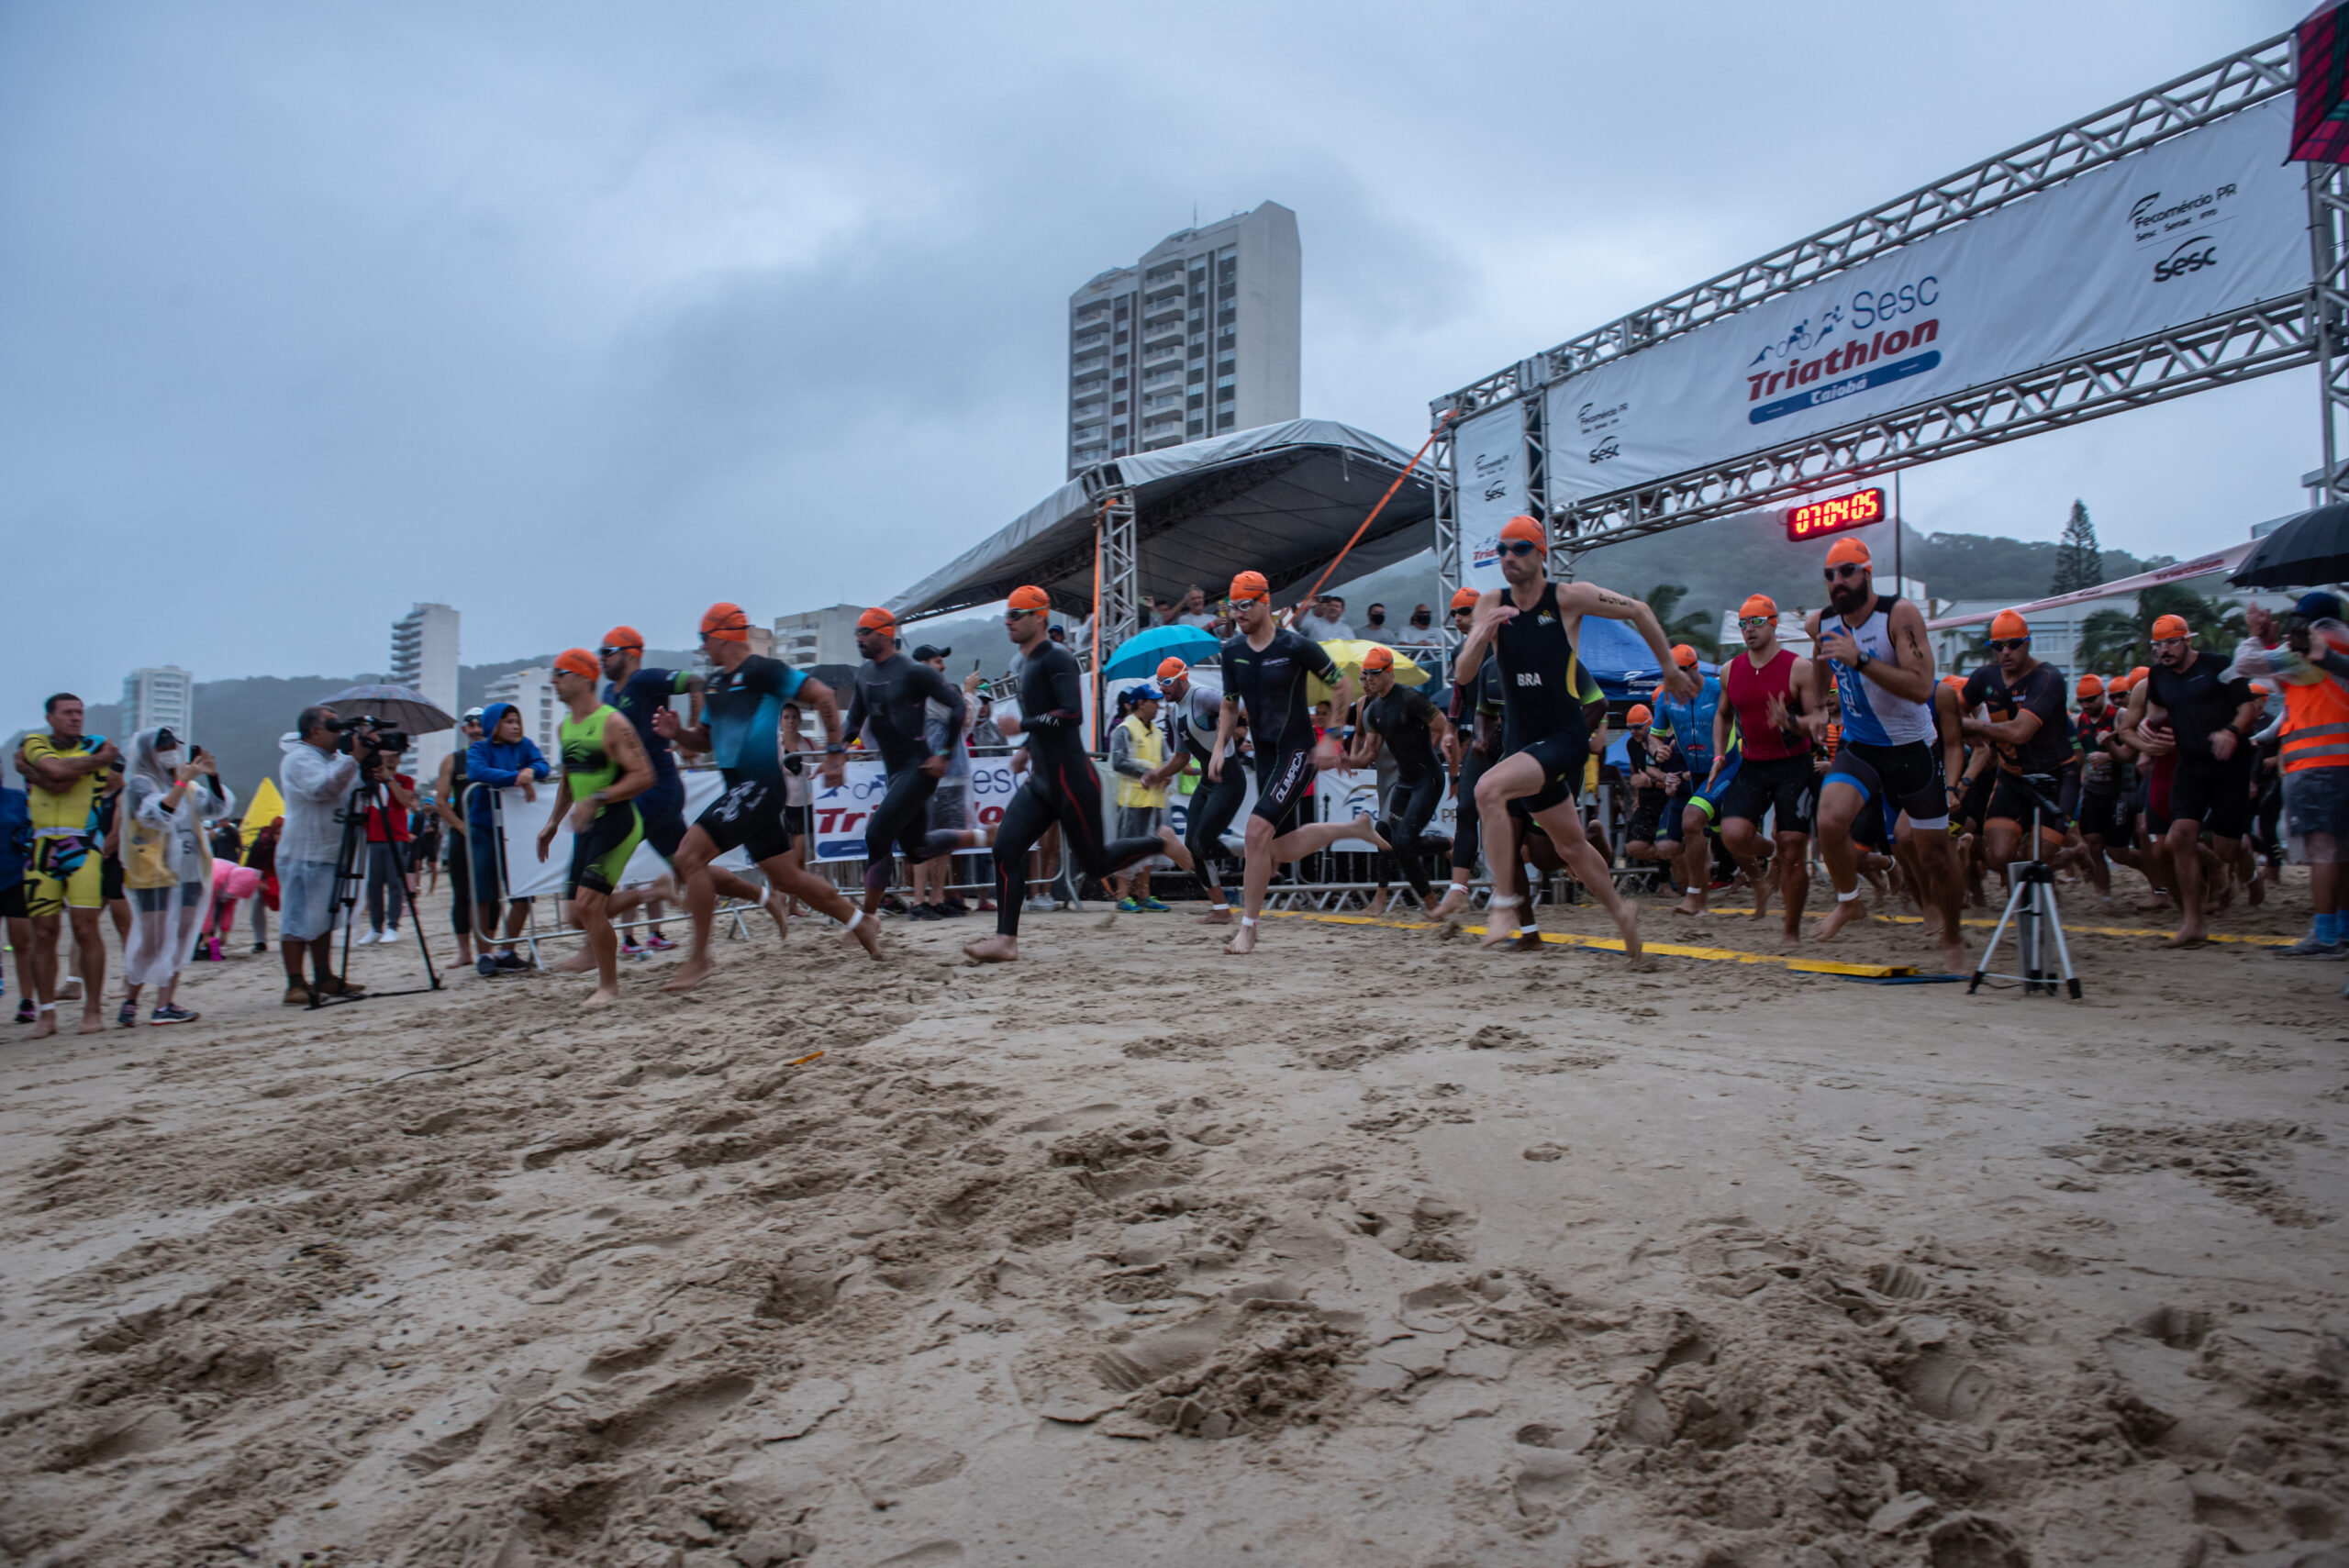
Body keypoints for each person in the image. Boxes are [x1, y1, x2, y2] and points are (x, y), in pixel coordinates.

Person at [1455, 517, 1692, 957]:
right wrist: (1482, 634)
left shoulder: (1568, 598)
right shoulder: (1490, 603)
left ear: (1540, 552)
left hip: (1563, 738)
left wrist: (1670, 668)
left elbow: (1639, 609)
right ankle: (1624, 916)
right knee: (1572, 846)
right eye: (1502, 549)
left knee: (1488, 789)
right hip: (1523, 746)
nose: (1508, 557)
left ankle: (1504, 904)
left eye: (1520, 548)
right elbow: (1464, 673)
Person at [963, 587, 1194, 963]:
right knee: (1006, 848)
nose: (1009, 620)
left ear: (1039, 617)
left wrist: (1020, 725)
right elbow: (1046, 719)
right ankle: (1006, 939)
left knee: (1097, 864)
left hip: (1073, 780)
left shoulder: (1059, 659)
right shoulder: (1022, 665)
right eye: (1007, 614)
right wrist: (1025, 749)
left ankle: (1160, 841)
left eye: (1017, 614)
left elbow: (1072, 714)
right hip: (1042, 781)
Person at [659, 600, 883, 980]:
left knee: (689, 857)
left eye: (703, 638)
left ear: (721, 635)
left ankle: (698, 958)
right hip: (740, 790)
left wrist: (834, 753)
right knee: (785, 878)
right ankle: (860, 921)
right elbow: (705, 741)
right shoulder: (716, 684)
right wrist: (676, 732)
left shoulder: (763, 671)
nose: (702, 647)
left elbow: (824, 697)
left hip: (759, 786)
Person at [1203, 571, 1392, 954]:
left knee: (1256, 833)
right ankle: (1353, 827)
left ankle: (1248, 929)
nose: (1237, 613)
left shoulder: (1296, 646)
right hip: (1266, 752)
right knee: (1273, 851)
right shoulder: (1231, 651)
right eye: (1231, 606)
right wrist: (1219, 746)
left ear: (1265, 602)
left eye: (1244, 605)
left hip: (1298, 751)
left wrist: (1333, 739)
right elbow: (1228, 703)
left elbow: (1341, 685)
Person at [1801, 537, 1966, 971]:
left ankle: (1952, 933)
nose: (1838, 582)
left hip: (1912, 748)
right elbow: (1820, 657)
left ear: (1867, 573)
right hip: (1861, 747)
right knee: (1830, 820)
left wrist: (1860, 662)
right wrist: (1819, 705)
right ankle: (1849, 901)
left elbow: (1919, 686)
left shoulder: (1900, 614)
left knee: (1935, 856)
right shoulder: (1821, 622)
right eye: (1830, 575)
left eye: (1847, 572)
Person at [842, 608, 990, 919]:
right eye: (857, 632)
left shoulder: (914, 671)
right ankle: (983, 836)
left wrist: (945, 753)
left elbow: (956, 708)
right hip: (895, 772)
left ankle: (867, 920)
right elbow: (854, 719)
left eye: (864, 632)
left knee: (876, 835)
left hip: (920, 769)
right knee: (916, 849)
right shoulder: (864, 674)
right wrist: (838, 750)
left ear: (884, 633)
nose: (859, 639)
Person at [2122, 612, 2259, 947]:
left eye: (2172, 642)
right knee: (2180, 836)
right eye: (2158, 645)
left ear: (2187, 640)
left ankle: (2248, 870)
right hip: (2190, 764)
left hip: (2229, 764)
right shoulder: (2157, 677)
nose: (2165, 650)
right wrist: (2147, 741)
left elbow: (2248, 709)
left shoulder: (2218, 664)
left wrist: (2230, 732)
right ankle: (2193, 923)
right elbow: (2137, 722)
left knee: (2227, 848)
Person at [533, 648, 658, 1006]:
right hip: (587, 824)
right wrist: (553, 822)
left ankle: (609, 986)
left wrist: (599, 798)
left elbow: (645, 775)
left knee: (589, 905)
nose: (554, 680)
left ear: (584, 678)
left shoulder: (613, 723)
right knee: (576, 915)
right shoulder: (565, 727)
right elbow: (570, 778)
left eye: (560, 673)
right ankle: (654, 891)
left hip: (618, 821)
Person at [1708, 594, 1818, 945]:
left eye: (1756, 621)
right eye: (1743, 623)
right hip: (1753, 764)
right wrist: (1718, 756)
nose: (1748, 629)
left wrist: (1792, 722)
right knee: (1733, 834)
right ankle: (1771, 857)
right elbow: (1723, 714)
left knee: (1794, 847)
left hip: (1794, 766)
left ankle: (1791, 931)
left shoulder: (1798, 667)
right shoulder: (1730, 670)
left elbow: (1820, 719)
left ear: (1773, 624)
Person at [17, 695, 118, 1037]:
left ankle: (92, 1010)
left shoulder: (98, 743)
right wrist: (93, 764)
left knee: (85, 928)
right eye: (68, 713)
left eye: (80, 712)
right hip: (41, 848)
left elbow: (57, 776)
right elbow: (56, 773)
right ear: (50, 717)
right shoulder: (34, 742)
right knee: (42, 933)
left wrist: (35, 770)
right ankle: (47, 1015)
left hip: (83, 845)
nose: (76, 718)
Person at [118, 728, 231, 1026]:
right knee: (152, 939)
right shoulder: (140, 784)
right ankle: (130, 999)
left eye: (174, 745)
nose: (171, 750)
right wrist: (184, 780)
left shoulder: (188, 784)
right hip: (153, 872)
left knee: (182, 937)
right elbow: (156, 814)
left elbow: (217, 808)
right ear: (147, 752)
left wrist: (212, 776)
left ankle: (165, 1004)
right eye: (164, 746)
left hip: (190, 869)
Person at [1958, 610, 2075, 887]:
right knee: (1997, 857)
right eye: (1998, 646)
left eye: (2013, 644)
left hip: (2054, 778)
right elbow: (1955, 708)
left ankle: (2071, 855)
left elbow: (2020, 732)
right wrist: (1964, 728)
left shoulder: (2047, 678)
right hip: (2012, 777)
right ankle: (2038, 889)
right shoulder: (1985, 678)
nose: (2006, 652)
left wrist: (1974, 728)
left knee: (2035, 856)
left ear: (2027, 643)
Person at [2264, 592, 2349, 959]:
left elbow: (2253, 663)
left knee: (2323, 851)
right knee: (2343, 851)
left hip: (2318, 766)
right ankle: (2342, 929)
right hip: (2340, 764)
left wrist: (2262, 636)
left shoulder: (2316, 642)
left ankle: (2325, 934)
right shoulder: (2343, 642)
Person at [1346, 647, 1453, 911]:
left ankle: (1396, 899)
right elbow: (1368, 749)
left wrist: (1428, 754)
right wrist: (1347, 760)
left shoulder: (1408, 698)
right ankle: (1446, 849)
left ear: (1389, 672)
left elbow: (1440, 726)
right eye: (1364, 675)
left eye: (1373, 674)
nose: (1367, 680)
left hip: (1419, 777)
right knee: (1395, 840)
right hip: (1398, 779)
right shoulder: (1368, 709)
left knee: (1395, 837)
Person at [277, 706, 368, 1006]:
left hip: (331, 849)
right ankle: (295, 983)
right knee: (296, 919)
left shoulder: (337, 760)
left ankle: (324, 976)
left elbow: (357, 791)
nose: (340, 732)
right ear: (314, 731)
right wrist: (354, 759)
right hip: (303, 850)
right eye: (333, 726)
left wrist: (368, 765)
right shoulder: (298, 759)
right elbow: (323, 788)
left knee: (323, 918)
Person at [465, 702, 551, 975]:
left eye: (517, 721)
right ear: (494, 725)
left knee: (524, 891)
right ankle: (484, 954)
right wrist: (517, 777)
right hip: (484, 829)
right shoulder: (480, 748)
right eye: (508, 721)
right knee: (484, 894)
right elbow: (477, 772)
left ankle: (508, 948)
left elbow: (543, 765)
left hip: (517, 830)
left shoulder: (525, 745)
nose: (515, 726)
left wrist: (532, 772)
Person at [1156, 654, 1242, 924]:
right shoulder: (1174, 713)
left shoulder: (1202, 696)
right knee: (1193, 846)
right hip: (1207, 782)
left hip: (1229, 778)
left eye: (1167, 682)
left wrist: (1230, 740)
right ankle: (1221, 911)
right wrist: (1156, 775)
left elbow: (1237, 708)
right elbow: (1181, 758)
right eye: (1159, 683)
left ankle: (1258, 849)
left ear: (1182, 677)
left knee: (1203, 843)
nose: (1162, 688)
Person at [1652, 645, 1725, 917]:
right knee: (1696, 829)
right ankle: (1697, 899)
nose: (1672, 678)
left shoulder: (1717, 689)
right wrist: (1655, 749)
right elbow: (1654, 736)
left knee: (1732, 837)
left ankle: (1763, 865)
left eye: (1678, 672)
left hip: (1726, 766)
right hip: (1697, 775)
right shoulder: (1666, 698)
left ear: (1694, 669)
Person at [1108, 683, 1178, 912]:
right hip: (1132, 801)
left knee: (1148, 850)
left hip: (1153, 800)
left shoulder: (1156, 732)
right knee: (1127, 849)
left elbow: (1167, 760)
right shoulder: (1124, 729)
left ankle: (1144, 895)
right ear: (1141, 703)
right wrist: (1150, 771)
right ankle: (1122, 896)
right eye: (1153, 701)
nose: (1158, 706)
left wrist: (1165, 773)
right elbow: (1118, 762)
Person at [434, 709, 484, 971]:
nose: (476, 729)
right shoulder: (452, 761)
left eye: (481, 724)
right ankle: (465, 951)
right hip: (462, 834)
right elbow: (441, 801)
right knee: (461, 894)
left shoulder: (495, 757)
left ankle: (487, 948)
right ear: (464, 730)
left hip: (489, 835)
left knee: (489, 895)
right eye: (471, 725)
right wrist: (461, 826)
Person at [2069, 675, 2126, 899]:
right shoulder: (2077, 721)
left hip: (2120, 790)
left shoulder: (2118, 716)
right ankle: (2104, 895)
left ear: (2103, 696)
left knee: (2118, 852)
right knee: (2093, 844)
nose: (2086, 705)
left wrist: (2108, 755)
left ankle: (2159, 886)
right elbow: (2076, 756)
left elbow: (2133, 751)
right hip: (2092, 790)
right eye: (2081, 700)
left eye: (2091, 699)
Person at [357, 751, 417, 945]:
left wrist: (389, 780)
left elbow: (406, 801)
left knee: (395, 883)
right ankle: (376, 927)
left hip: (396, 837)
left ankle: (392, 926)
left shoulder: (404, 780)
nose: (392, 758)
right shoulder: (367, 780)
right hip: (372, 838)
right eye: (387, 755)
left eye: (396, 755)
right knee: (373, 886)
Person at [2, 772, 30, 1023]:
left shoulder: (18, 799)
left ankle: (27, 1000)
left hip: (15, 880)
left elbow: (31, 833)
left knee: (22, 943)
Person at [247, 816, 280, 953]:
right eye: (278, 833)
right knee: (256, 904)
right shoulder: (261, 844)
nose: (281, 837)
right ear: (272, 833)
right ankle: (260, 941)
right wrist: (258, 882)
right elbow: (250, 867)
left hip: (284, 879)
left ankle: (301, 938)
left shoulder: (295, 844)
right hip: (264, 878)